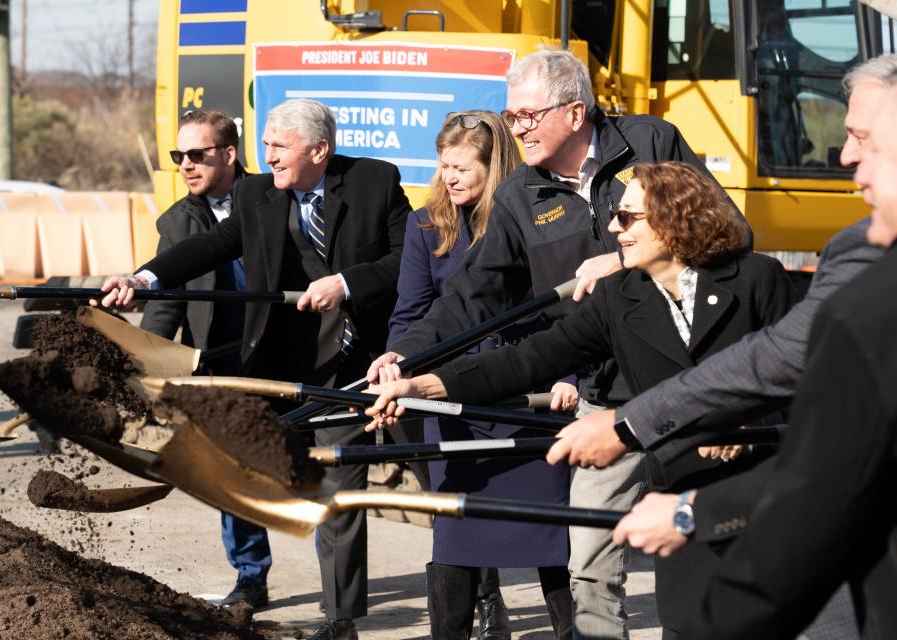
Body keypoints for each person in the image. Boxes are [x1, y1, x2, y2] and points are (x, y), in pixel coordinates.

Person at [366, 48, 748, 639]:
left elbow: (729, 234)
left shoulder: (652, 143)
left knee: (710, 558)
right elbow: (473, 294)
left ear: (574, 112)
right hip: (606, 399)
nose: (514, 129)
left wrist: (622, 259)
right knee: (589, 570)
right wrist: (406, 355)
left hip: (691, 386)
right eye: (510, 116)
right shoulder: (521, 193)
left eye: (526, 116)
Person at [605, 53, 897, 640]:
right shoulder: (617, 294)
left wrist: (646, 445)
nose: (844, 156)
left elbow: (819, 439)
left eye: (863, 137)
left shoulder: (853, 289)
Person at [95, 98, 411, 640]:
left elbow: (407, 258)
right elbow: (210, 245)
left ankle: (343, 619)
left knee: (345, 487)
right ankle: (253, 576)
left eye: (279, 146)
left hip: (357, 364)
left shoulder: (374, 182)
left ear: (319, 150)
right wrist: (145, 279)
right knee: (232, 460)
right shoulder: (257, 194)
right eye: (265, 145)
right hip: (281, 365)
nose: (268, 157)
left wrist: (347, 283)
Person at [387, 110, 571, 639]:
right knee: (455, 535)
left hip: (528, 391)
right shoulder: (425, 225)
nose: (450, 177)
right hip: (452, 395)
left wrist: (570, 379)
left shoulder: (532, 220)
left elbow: (568, 319)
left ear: (495, 169)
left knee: (551, 537)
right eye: (444, 165)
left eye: (463, 167)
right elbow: (413, 311)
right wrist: (397, 360)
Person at [138, 109, 272, 609]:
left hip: (282, 356)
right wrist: (148, 363)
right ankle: (251, 575)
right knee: (231, 469)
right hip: (218, 363)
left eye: (197, 154)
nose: (186, 165)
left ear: (229, 154)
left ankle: (343, 589)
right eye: (179, 156)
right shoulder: (178, 222)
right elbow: (166, 301)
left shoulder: (273, 198)